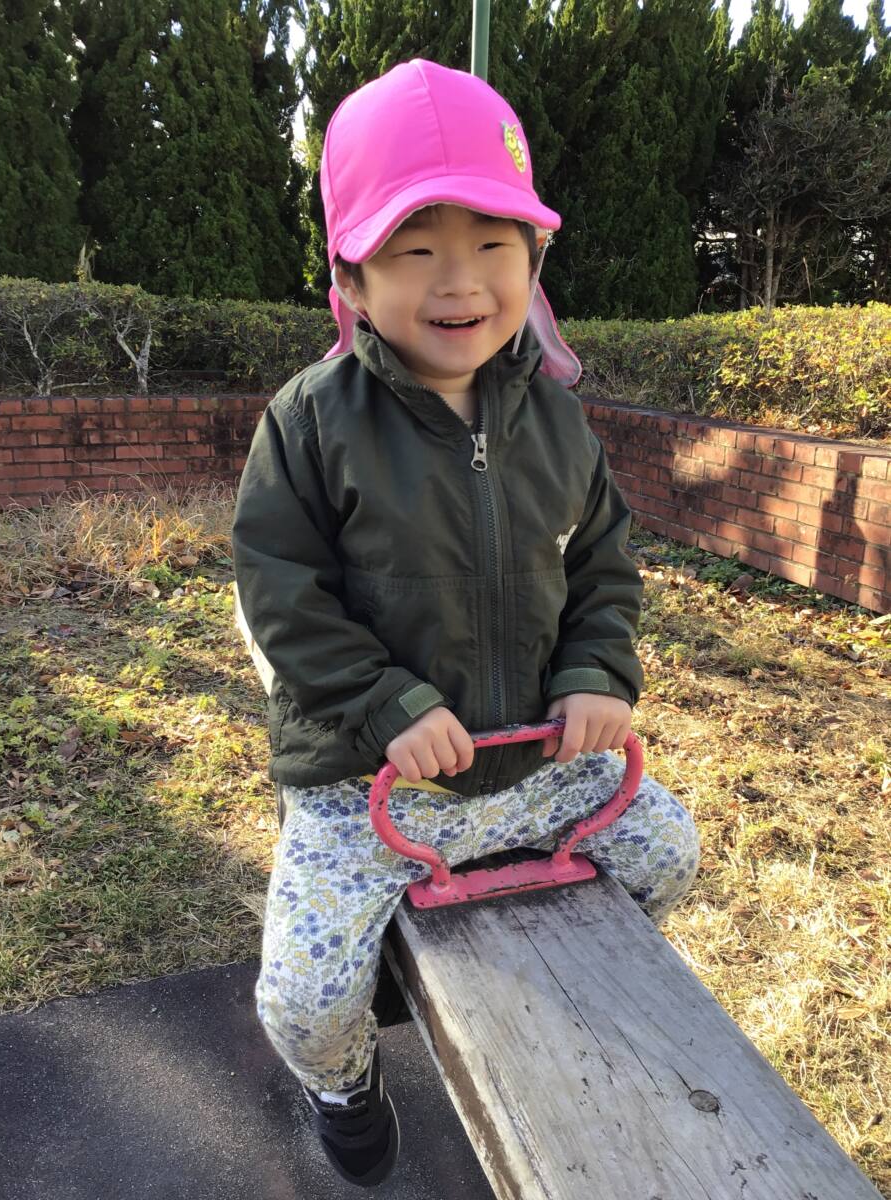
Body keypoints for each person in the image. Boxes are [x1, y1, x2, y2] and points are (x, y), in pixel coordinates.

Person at [231, 58, 700, 1189]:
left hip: (533, 763)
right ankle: (347, 1083)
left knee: (668, 852)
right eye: (415, 249)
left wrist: (596, 673)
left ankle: (546, 984)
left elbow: (603, 565)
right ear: (351, 272)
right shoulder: (312, 423)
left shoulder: (557, 421)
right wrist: (385, 704)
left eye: (493, 243)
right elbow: (281, 589)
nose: (460, 281)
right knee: (304, 998)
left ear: (532, 260)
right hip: (373, 784)